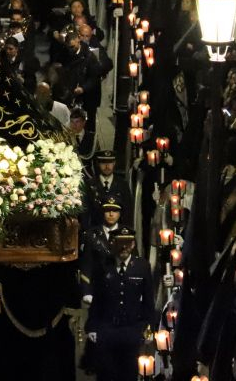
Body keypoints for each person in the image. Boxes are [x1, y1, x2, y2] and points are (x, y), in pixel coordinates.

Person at [84, 227, 154, 381]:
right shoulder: (103, 266)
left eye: (127, 243)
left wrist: (148, 328)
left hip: (131, 329)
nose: (124, 247)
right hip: (107, 329)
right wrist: (92, 327)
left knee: (129, 373)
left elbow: (149, 301)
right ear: (112, 243)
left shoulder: (142, 266)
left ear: (133, 244)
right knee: (106, 373)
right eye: (120, 243)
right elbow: (97, 301)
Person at [79, 197, 122, 303]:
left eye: (114, 211)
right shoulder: (91, 235)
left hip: (121, 290)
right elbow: (86, 265)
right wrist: (87, 292)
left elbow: (133, 263)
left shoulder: (126, 233)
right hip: (98, 290)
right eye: (108, 211)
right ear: (103, 212)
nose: (111, 214)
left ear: (119, 213)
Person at [86, 150, 133, 227]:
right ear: (98, 164)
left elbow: (128, 211)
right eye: (103, 162)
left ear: (114, 163)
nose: (107, 166)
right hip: (96, 231)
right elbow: (86, 213)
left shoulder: (122, 184)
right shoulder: (90, 184)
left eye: (110, 162)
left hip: (117, 230)